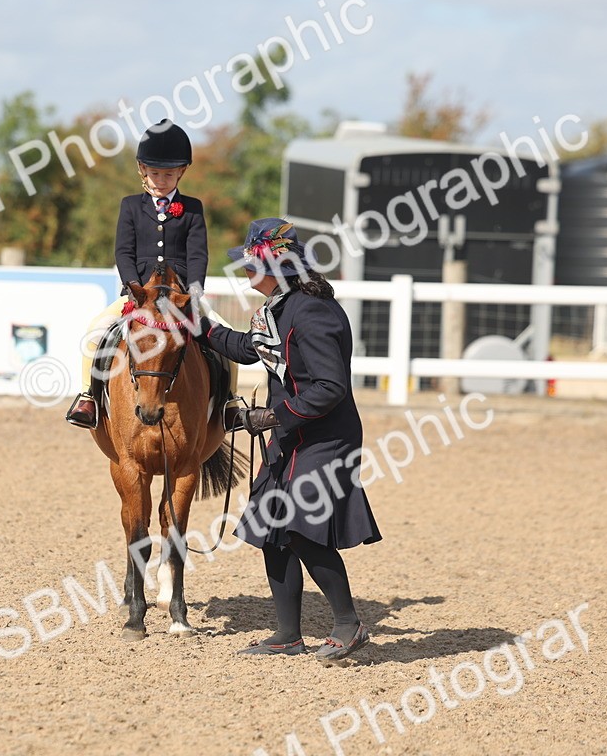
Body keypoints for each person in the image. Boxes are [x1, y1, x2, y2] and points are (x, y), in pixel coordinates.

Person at [195, 217, 381, 662]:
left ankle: (348, 624)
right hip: (294, 434)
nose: (244, 271)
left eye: (249, 263)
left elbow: (329, 387)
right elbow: (249, 349)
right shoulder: (280, 305)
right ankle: (287, 635)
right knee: (271, 528)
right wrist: (201, 327)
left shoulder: (311, 311)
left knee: (299, 528)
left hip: (323, 436)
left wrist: (268, 416)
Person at [65, 118, 237, 429]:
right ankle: (88, 397)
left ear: (181, 172)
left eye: (168, 174)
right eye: (155, 173)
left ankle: (230, 405)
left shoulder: (193, 208)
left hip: (180, 295)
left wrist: (193, 294)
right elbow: (123, 252)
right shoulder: (130, 206)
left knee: (224, 335)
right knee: (96, 331)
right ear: (143, 169)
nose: (161, 180)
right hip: (140, 295)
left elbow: (198, 254)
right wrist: (134, 288)